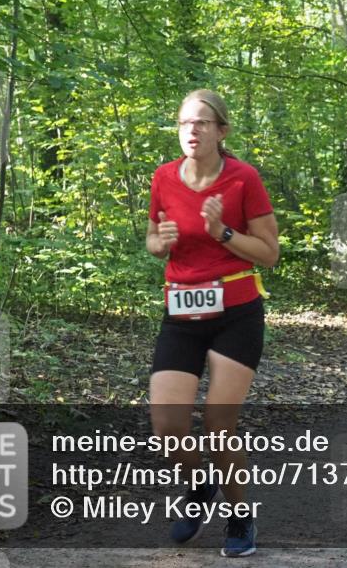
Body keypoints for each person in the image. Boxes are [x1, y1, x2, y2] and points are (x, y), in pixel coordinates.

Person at [145, 89, 279, 557]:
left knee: (219, 424)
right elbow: (153, 238)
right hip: (181, 312)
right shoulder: (163, 177)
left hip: (235, 314)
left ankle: (241, 516)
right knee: (167, 423)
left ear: (221, 131)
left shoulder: (244, 179)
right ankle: (200, 486)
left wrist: (222, 231)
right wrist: (159, 243)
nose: (192, 131)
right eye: (184, 123)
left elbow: (270, 253)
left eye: (202, 123)